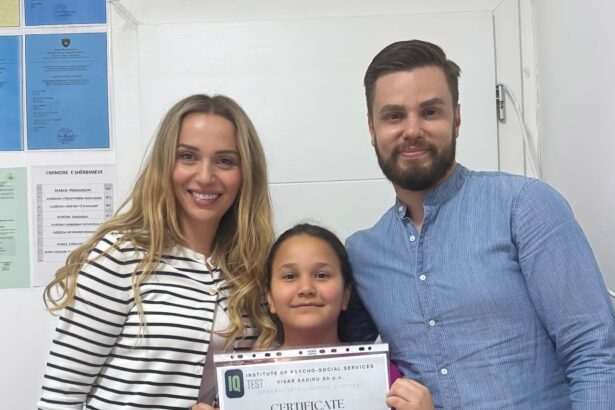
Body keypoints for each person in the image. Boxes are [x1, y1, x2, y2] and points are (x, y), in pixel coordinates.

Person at [341, 40, 615, 409]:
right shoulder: (363, 253)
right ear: (372, 129)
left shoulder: (524, 206)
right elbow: (340, 364)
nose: (412, 130)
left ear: (456, 119)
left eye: (430, 112)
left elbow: (596, 355)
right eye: (394, 116)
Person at [38, 94, 276, 409]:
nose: (205, 176)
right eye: (188, 156)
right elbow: (60, 396)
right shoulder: (120, 256)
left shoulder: (251, 267)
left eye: (225, 161)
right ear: (165, 165)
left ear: (245, 174)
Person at [193, 223, 434, 410]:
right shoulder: (240, 387)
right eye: (290, 276)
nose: (306, 288)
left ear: (346, 295)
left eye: (322, 275)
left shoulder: (386, 381)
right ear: (270, 298)